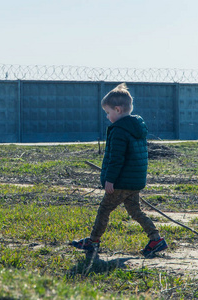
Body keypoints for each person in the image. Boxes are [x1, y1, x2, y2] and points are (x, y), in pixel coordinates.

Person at [70, 83, 167, 258]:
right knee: (135, 211)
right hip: (134, 181)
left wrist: (110, 180)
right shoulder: (136, 127)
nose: (107, 117)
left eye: (108, 113)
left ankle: (93, 241)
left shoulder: (119, 131)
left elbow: (116, 158)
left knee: (104, 209)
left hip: (121, 181)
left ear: (118, 110)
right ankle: (156, 238)